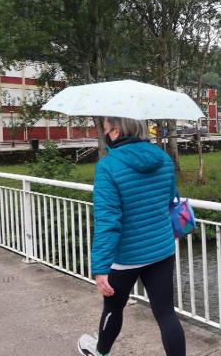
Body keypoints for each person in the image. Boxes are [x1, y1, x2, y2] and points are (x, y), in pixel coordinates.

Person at [78, 117, 185, 356]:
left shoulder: (108, 166)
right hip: (161, 249)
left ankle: (100, 351)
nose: (104, 133)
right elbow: (169, 201)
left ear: (115, 131)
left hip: (125, 256)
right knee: (166, 313)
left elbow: (108, 221)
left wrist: (101, 267)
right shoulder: (164, 159)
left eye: (105, 129)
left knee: (114, 309)